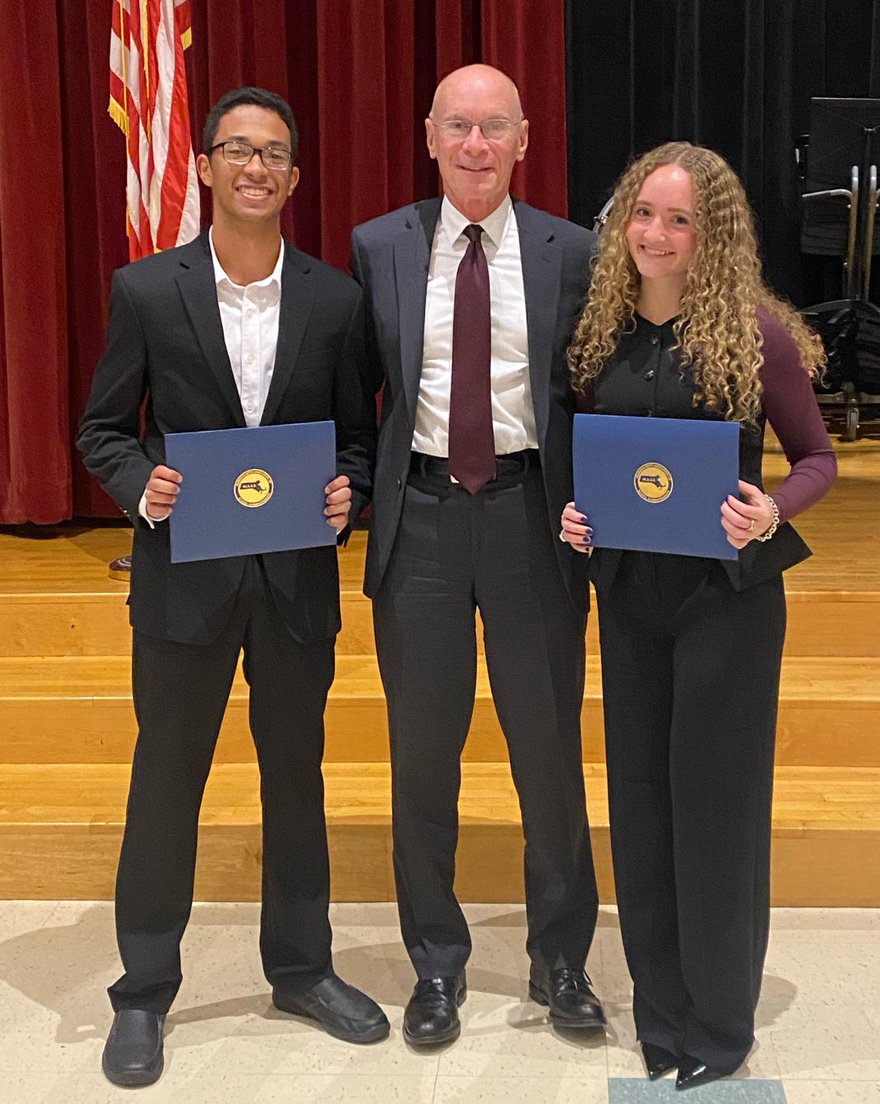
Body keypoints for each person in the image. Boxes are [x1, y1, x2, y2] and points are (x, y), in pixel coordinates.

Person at [77, 87, 385, 1088]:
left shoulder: (336, 301)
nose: (257, 166)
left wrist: (349, 492)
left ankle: (301, 969)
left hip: (295, 585)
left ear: (294, 177)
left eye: (275, 153)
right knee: (166, 782)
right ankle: (143, 990)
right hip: (185, 583)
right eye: (238, 149)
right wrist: (144, 488)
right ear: (206, 165)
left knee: (296, 779)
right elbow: (103, 430)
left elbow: (358, 438)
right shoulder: (145, 291)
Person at [561, 142, 837, 1090]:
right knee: (641, 804)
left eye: (679, 219)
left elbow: (816, 459)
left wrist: (773, 508)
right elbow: (596, 464)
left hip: (727, 603)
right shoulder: (600, 334)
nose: (656, 233)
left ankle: (719, 1024)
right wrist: (578, 517)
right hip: (631, 597)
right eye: (643, 213)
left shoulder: (756, 335)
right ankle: (662, 1013)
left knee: (716, 811)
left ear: (710, 233)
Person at [350, 64, 604, 1046]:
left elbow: (598, 390)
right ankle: (435, 964)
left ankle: (561, 959)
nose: (475, 144)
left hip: (528, 515)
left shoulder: (571, 251)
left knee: (548, 755)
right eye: (457, 126)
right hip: (417, 518)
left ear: (524, 139)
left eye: (494, 126)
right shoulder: (379, 246)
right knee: (423, 758)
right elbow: (353, 395)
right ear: (429, 137)